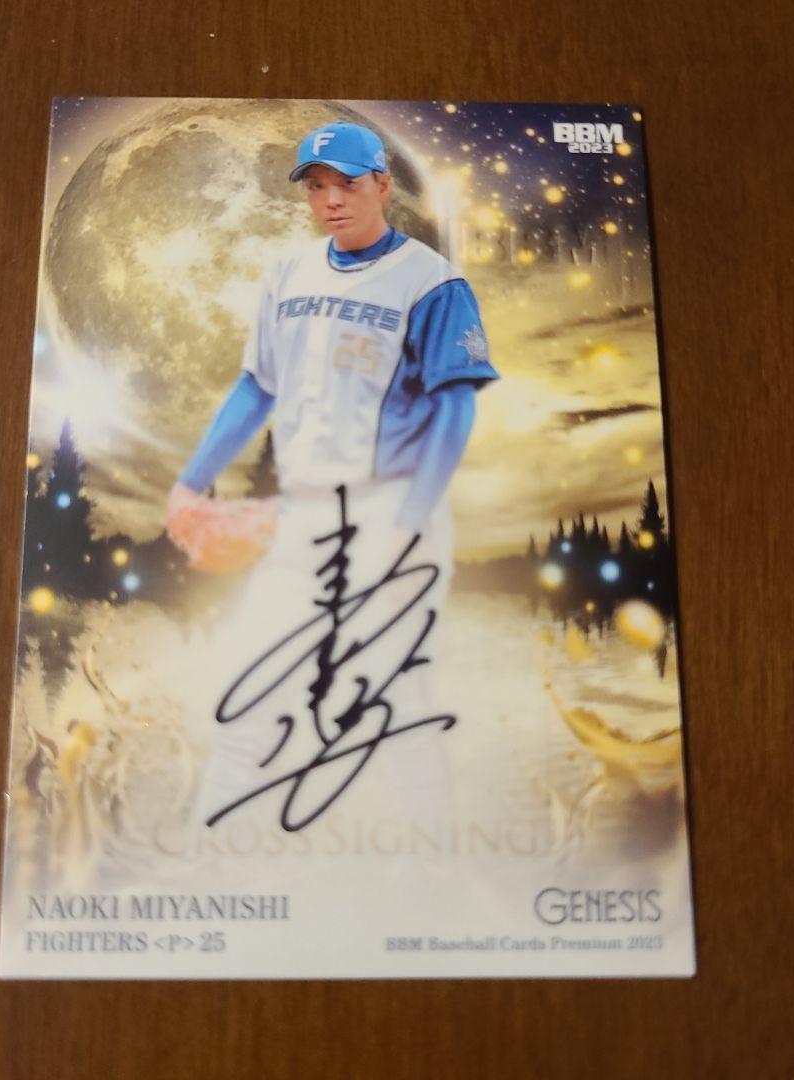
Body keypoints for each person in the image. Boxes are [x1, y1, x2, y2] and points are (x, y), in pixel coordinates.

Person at [167, 120, 499, 836]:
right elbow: (256, 387)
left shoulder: (434, 283)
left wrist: (410, 522)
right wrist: (191, 482)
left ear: (383, 184)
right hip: (305, 515)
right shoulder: (287, 275)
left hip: (392, 511)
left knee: (395, 698)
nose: (331, 201)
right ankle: (208, 850)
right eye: (316, 186)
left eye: (347, 183)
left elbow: (455, 409)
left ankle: (435, 861)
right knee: (250, 683)